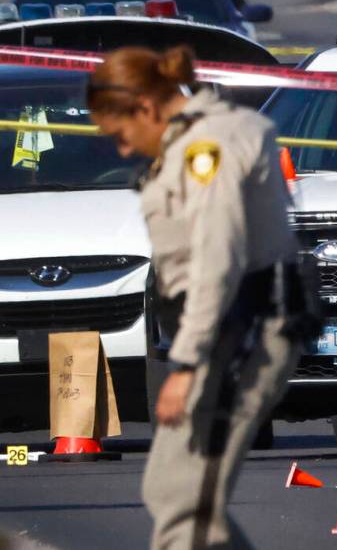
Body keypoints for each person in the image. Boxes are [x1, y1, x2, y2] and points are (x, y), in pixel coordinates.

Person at [87, 46, 317, 549]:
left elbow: (217, 259)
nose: (124, 151)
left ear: (146, 108)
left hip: (245, 335)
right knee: (169, 490)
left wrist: (187, 365)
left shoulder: (207, 148)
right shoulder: (189, 145)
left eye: (121, 134)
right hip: (220, 332)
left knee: (187, 506)